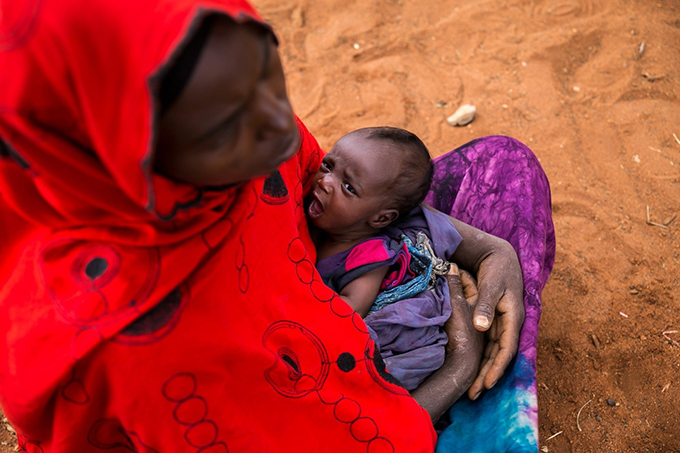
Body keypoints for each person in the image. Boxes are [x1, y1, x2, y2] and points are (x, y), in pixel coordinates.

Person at [0, 1, 554, 452]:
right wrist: (459, 363)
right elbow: (358, 437)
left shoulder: (226, 136)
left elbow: (324, 180)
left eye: (267, 74)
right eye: (223, 127)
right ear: (116, 152)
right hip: (331, 402)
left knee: (504, 166)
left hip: (336, 297)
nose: (283, 134)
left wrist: (487, 249)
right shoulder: (145, 353)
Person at [308, 126, 482, 391]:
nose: (325, 181)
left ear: (381, 218)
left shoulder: (369, 258)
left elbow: (349, 310)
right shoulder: (321, 222)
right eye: (328, 165)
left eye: (348, 187)